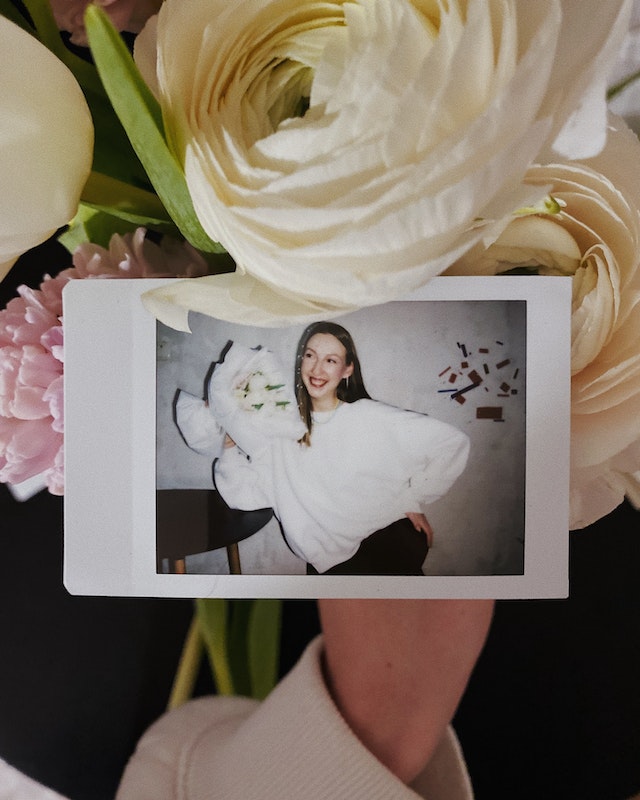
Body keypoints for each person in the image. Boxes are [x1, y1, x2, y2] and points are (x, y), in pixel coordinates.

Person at [214, 321, 470, 575]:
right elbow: (246, 496)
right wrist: (229, 450)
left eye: (331, 360)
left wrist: (413, 498)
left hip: (385, 543)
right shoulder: (281, 430)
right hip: (330, 562)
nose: (317, 368)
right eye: (310, 356)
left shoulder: (368, 416)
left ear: (347, 370)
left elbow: (451, 443)